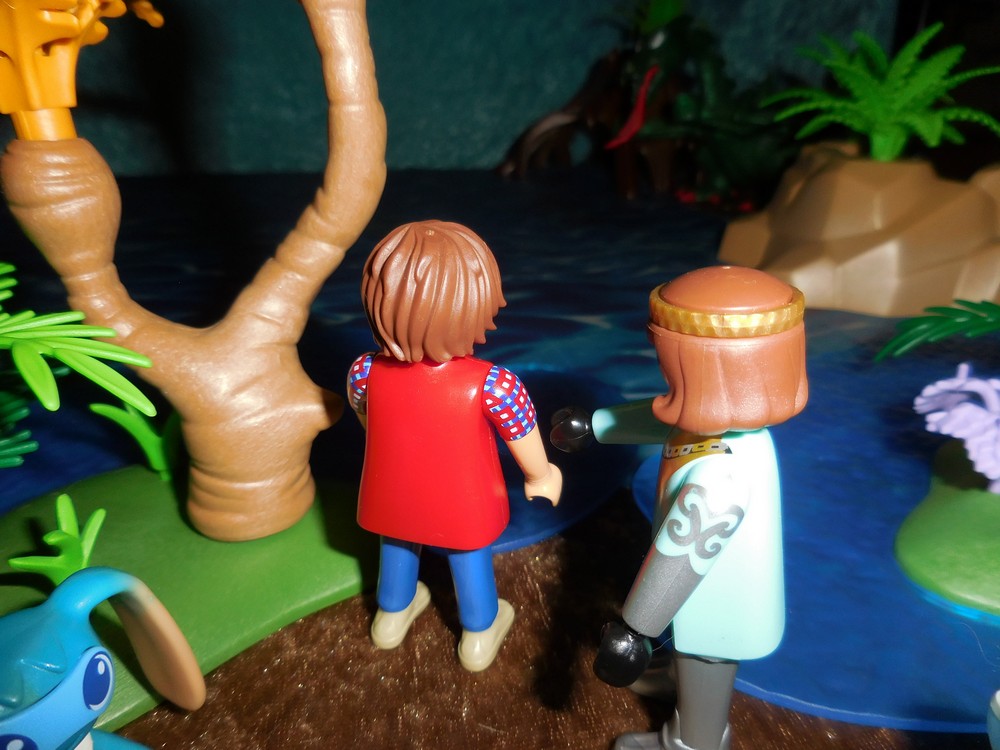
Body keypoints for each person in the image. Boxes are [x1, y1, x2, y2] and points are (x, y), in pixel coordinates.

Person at [590, 266, 808, 750]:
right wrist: (598, 425)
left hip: (717, 605)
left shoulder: (723, 475)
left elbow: (684, 551)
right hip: (693, 599)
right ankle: (674, 677)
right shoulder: (719, 429)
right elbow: (665, 421)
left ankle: (689, 742)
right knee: (685, 650)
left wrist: (635, 629)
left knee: (704, 675)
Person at [347, 219, 562, 672]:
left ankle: (390, 617)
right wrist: (541, 475)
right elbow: (522, 434)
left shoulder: (364, 371)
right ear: (476, 306)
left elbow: (368, 422)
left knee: (397, 541)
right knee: (468, 554)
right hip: (462, 501)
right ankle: (479, 633)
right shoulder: (495, 385)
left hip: (393, 491)